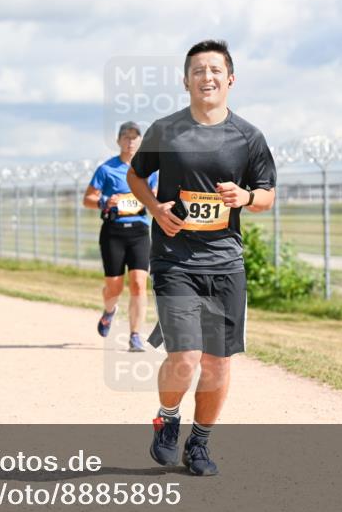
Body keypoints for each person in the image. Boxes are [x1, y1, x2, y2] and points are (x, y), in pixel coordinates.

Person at [127, 39, 276, 476]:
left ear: (230, 79)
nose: (206, 77)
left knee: (217, 361)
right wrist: (155, 209)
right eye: (198, 71)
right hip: (175, 258)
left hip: (226, 262)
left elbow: (267, 196)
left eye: (215, 70)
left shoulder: (248, 137)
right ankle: (168, 419)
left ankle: (200, 444)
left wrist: (246, 196)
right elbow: (137, 176)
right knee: (186, 356)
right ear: (185, 80)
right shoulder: (166, 130)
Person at [82, 122, 158, 351]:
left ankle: (135, 335)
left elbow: (154, 198)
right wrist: (106, 201)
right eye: (126, 137)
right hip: (113, 231)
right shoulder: (106, 169)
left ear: (141, 141)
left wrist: (153, 200)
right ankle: (109, 310)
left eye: (135, 137)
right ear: (118, 141)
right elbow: (87, 200)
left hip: (139, 231)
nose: (130, 141)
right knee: (114, 287)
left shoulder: (149, 171)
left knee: (138, 284)